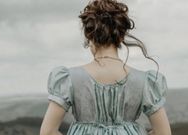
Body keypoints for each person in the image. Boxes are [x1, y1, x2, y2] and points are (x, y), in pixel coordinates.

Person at [40, 0, 171, 135]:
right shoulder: (145, 81)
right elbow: (164, 133)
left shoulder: (69, 79)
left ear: (89, 37)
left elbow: (48, 132)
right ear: (120, 37)